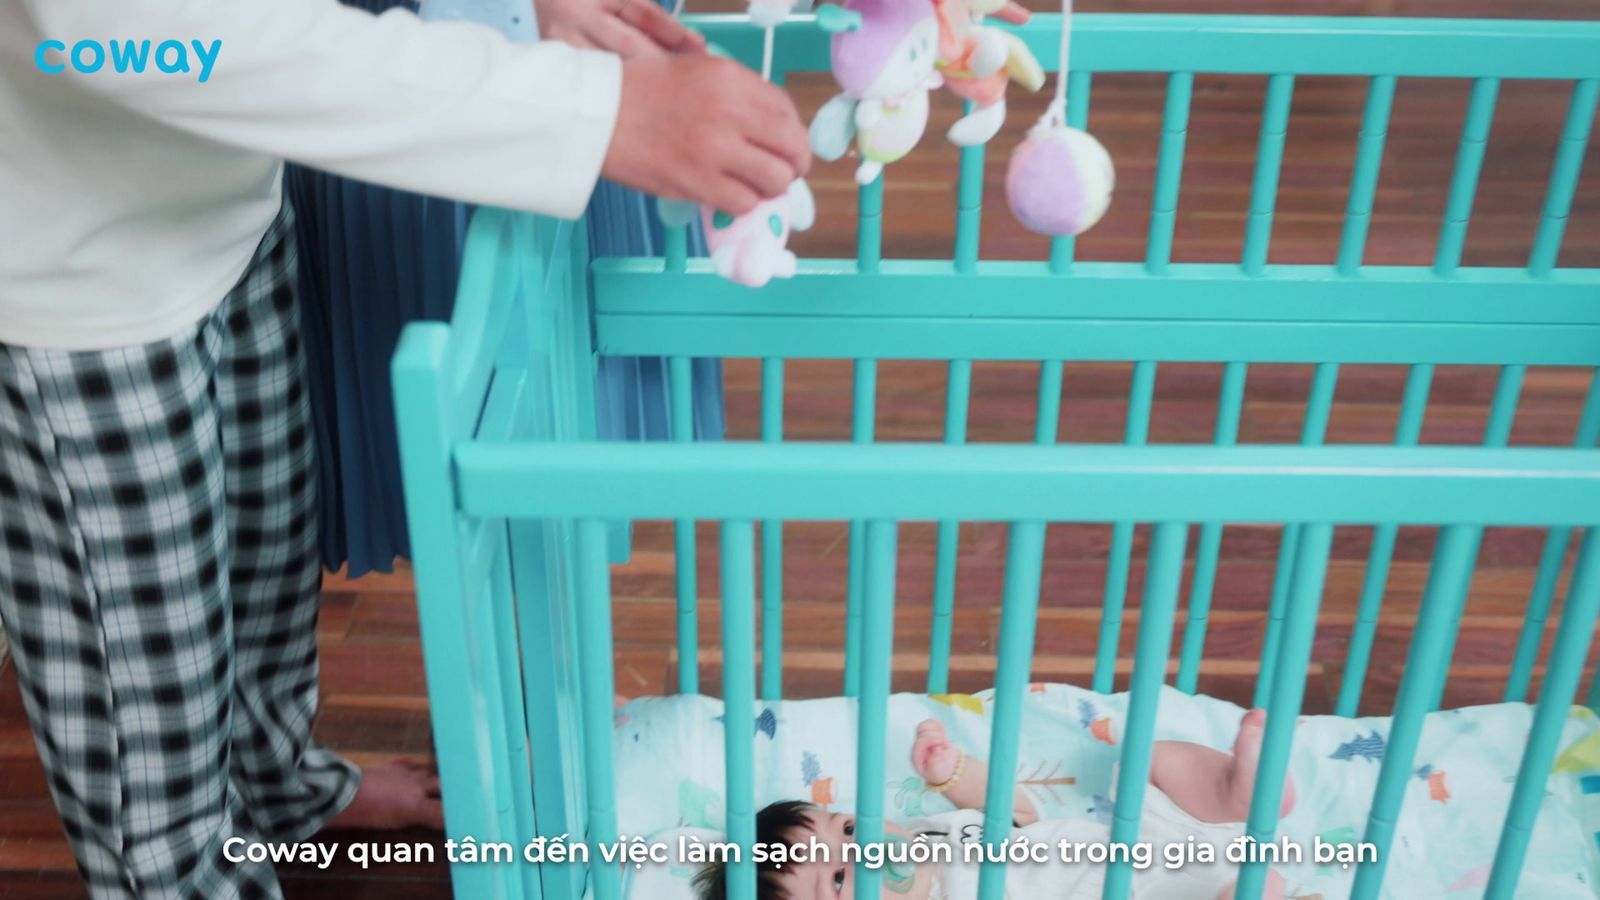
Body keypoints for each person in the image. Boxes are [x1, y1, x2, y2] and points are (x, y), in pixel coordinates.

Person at [0, 1, 809, 897]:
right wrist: (586, 109)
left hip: (224, 203)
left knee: (265, 572)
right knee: (148, 716)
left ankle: (281, 792)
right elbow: (128, 40)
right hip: (79, 278)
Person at [693, 712, 1293, 899]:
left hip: (1144, 844)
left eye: (848, 829)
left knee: (1142, 765)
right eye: (842, 876)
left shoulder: (933, 835)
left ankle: (1234, 794)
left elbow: (1019, 813)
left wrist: (954, 773)